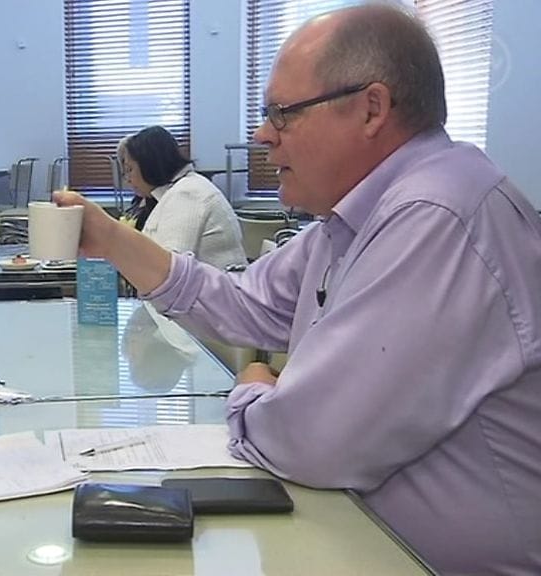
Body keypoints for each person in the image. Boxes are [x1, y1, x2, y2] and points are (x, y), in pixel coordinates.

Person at [54, 4, 541, 574]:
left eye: (282, 113)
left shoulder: (437, 215)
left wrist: (251, 391)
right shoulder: (357, 216)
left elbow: (312, 441)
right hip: (359, 537)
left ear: (372, 108)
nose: (262, 135)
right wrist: (113, 240)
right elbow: (247, 303)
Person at [117, 125, 246, 270]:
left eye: (129, 169)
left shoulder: (187, 194)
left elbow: (168, 270)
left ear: (149, 164)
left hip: (215, 284)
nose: (127, 179)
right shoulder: (174, 191)